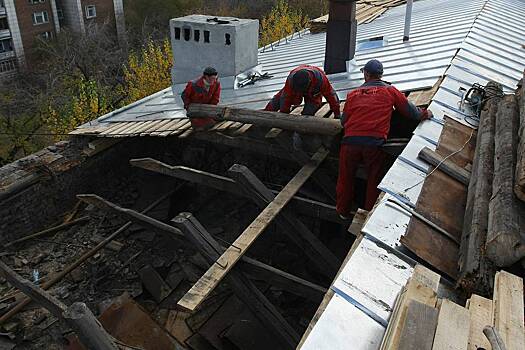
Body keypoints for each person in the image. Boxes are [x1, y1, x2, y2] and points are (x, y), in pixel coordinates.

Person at [336, 59, 433, 218]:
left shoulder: (352, 94)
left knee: (345, 178)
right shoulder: (390, 91)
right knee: (374, 179)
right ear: (381, 75)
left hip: (349, 143)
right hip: (373, 143)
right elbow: (411, 112)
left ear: (366, 74)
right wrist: (425, 113)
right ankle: (368, 214)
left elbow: (343, 121)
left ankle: (342, 212)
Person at [265, 65, 340, 149]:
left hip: (313, 95)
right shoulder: (291, 81)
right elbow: (285, 97)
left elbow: (331, 96)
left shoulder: (321, 80)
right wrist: (284, 116)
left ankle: (303, 138)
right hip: (295, 92)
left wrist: (337, 114)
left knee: (308, 114)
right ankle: (263, 124)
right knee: (274, 102)